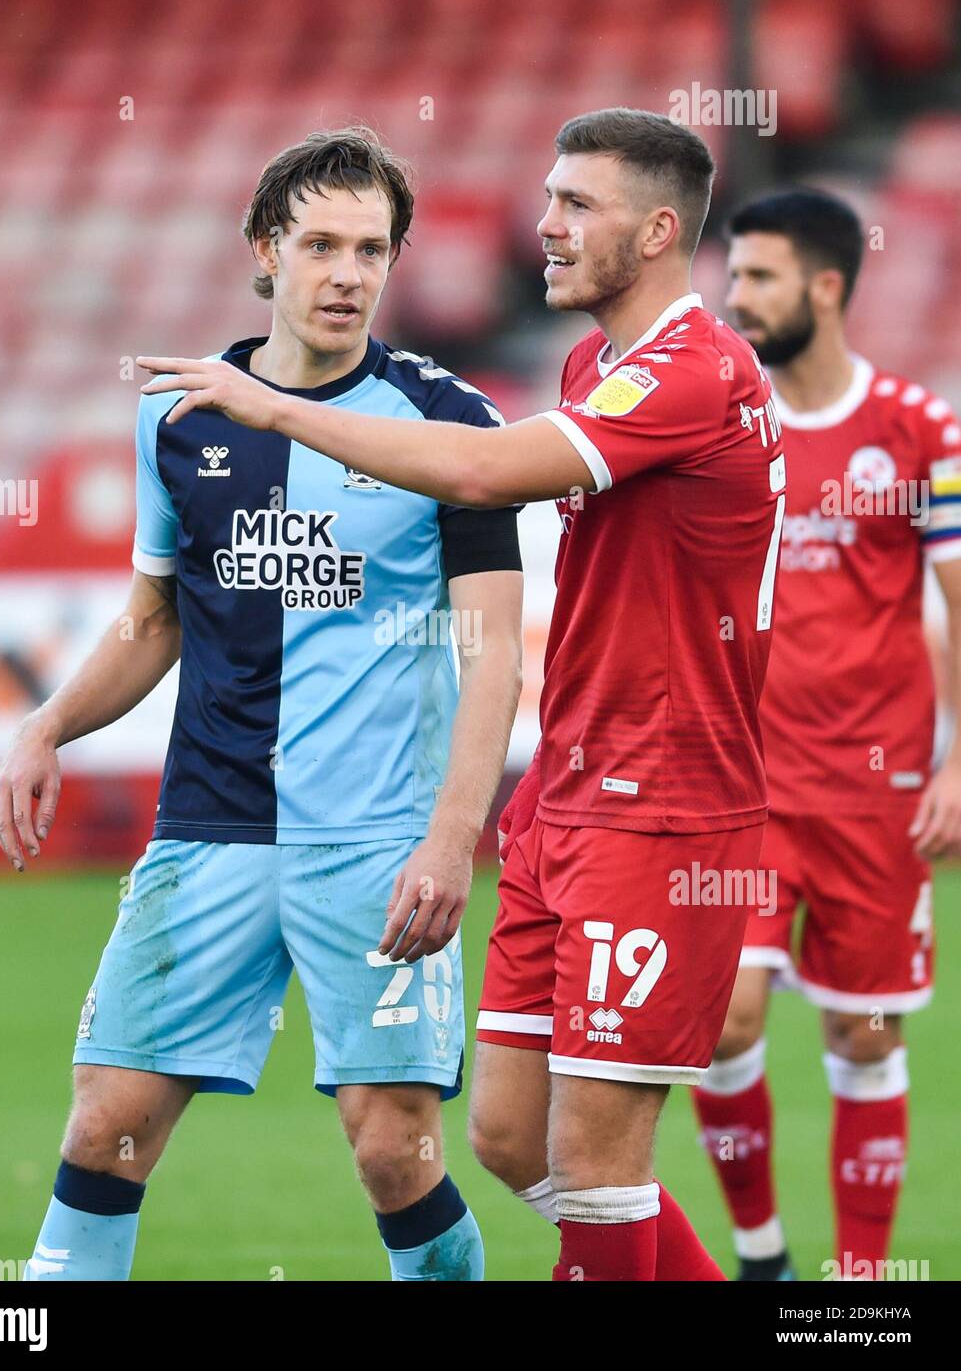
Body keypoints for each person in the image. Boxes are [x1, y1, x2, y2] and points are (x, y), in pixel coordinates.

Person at [138, 106, 785, 1281]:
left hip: (663, 806)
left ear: (653, 232)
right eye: (547, 198)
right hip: (564, 795)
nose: (542, 224)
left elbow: (486, 467)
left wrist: (275, 408)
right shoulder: (599, 365)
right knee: (503, 1135)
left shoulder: (701, 367)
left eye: (574, 205)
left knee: (597, 1165)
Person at [0, 127, 524, 1282]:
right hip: (209, 827)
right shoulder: (180, 419)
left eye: (372, 249)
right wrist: (46, 726)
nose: (347, 273)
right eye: (321, 244)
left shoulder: (453, 426)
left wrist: (450, 837)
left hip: (379, 840)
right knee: (106, 1124)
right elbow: (154, 619)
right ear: (264, 252)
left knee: (394, 1147)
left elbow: (494, 651)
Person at [691, 188, 961, 1281]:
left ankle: (857, 1291)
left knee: (864, 1037)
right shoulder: (715, 427)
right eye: (734, 275)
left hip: (878, 791)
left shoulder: (921, 430)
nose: (735, 297)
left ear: (827, 286)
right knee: (723, 1020)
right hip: (745, 791)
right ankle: (762, 1260)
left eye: (757, 277)